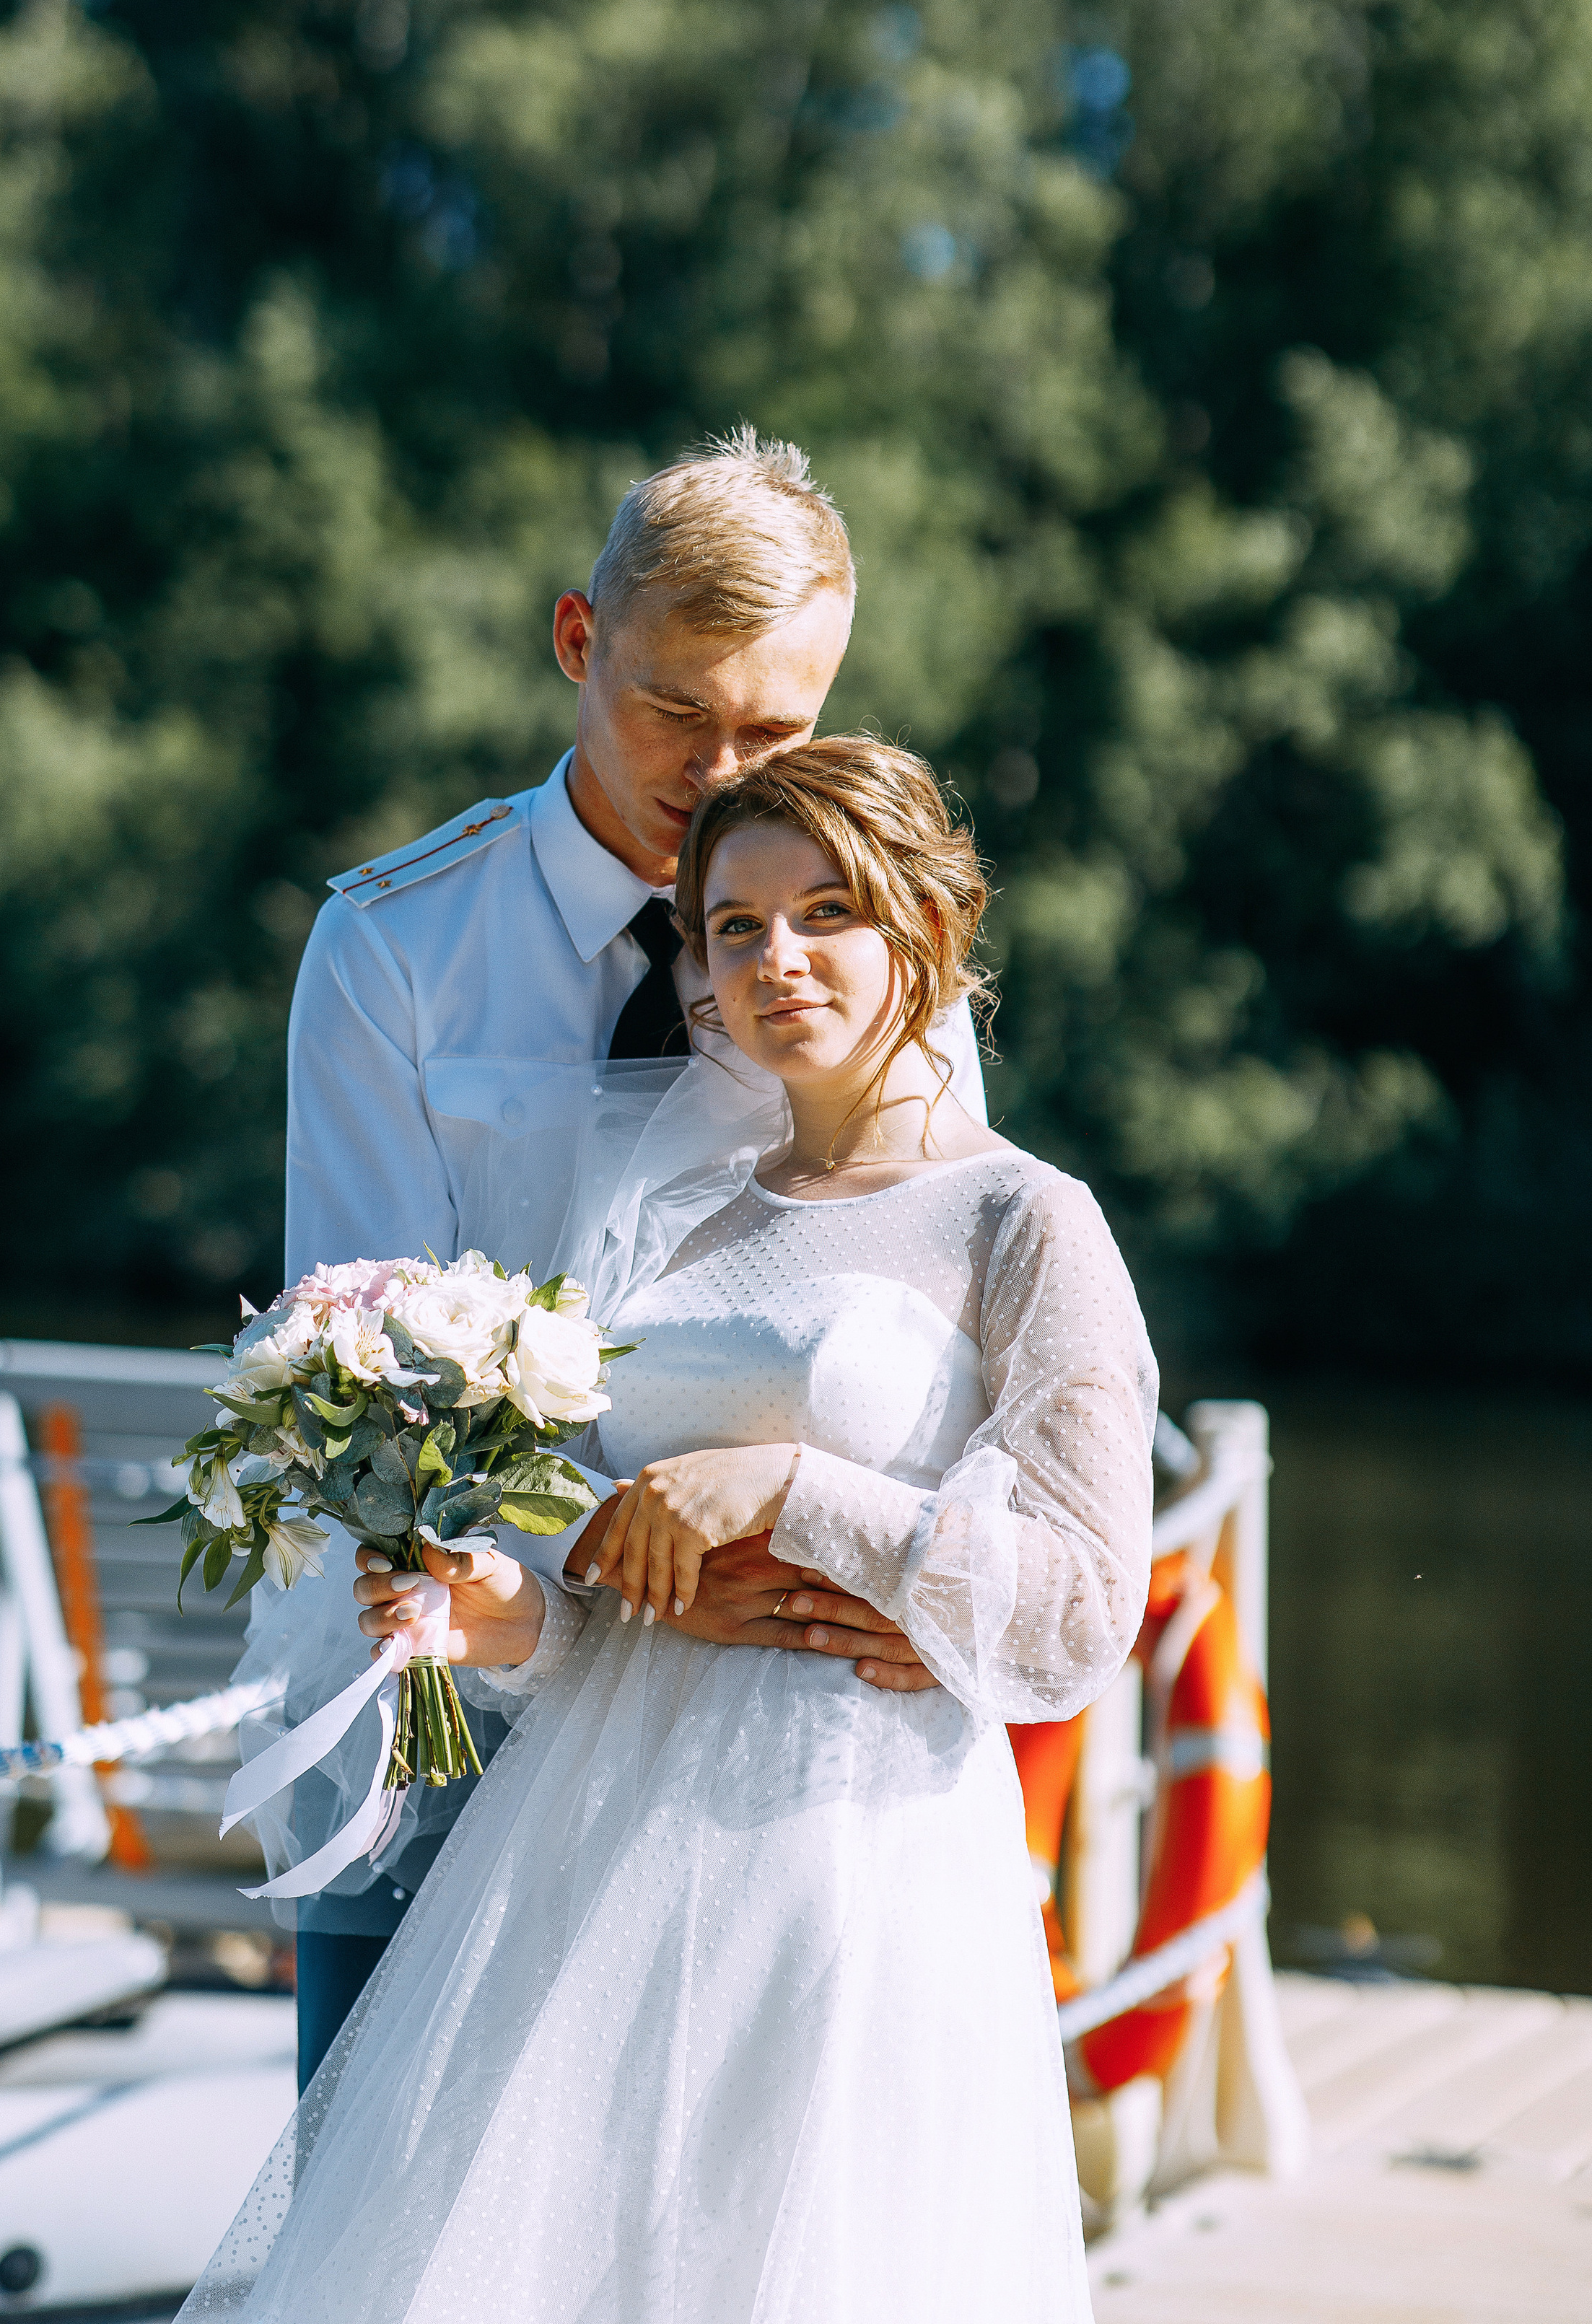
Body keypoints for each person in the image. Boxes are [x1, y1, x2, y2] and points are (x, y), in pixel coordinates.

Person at [188, 737, 1155, 2324]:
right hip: (583, 1849)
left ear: (930, 916)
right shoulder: (679, 1217)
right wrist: (506, 1615)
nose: (776, 960)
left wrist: (796, 1493)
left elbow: (1077, 1604)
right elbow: (620, 1601)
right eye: (733, 926)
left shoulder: (1023, 1221)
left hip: (844, 1852)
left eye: (825, 912)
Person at [257, 429, 989, 2088]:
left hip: (763, 1741)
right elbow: (355, 1364)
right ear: (579, 640)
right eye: (677, 710)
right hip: (439, 1703)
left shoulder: (875, 954)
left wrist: (904, 1580)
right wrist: (626, 1565)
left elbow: (936, 1304)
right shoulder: (398, 949)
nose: (723, 774)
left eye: (777, 728)